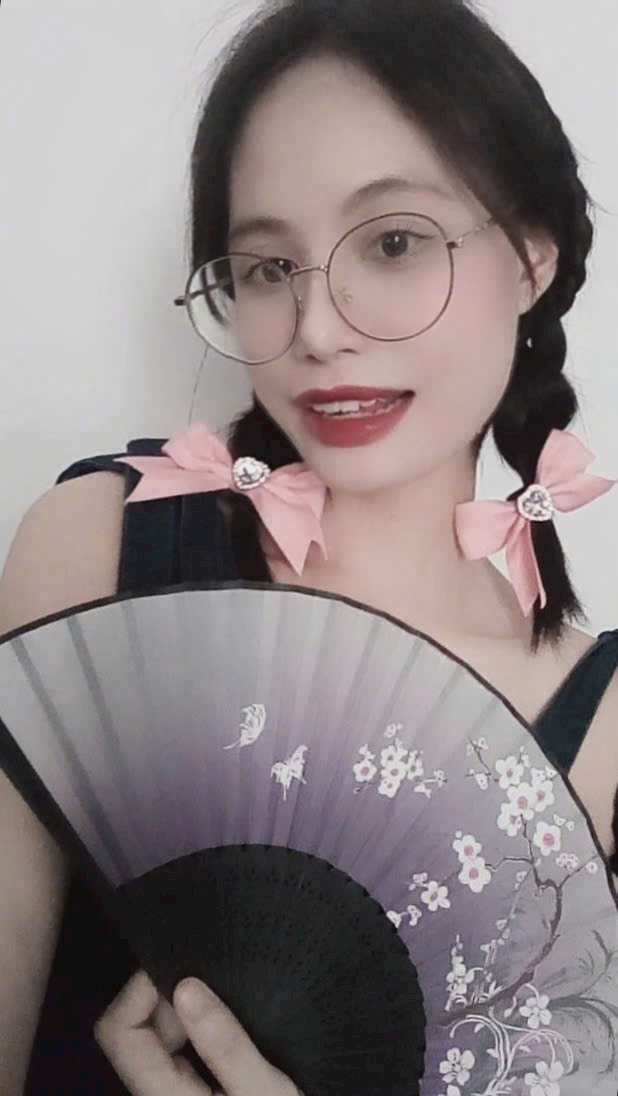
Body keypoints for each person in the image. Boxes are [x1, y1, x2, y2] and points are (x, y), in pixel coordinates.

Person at [0, 0, 616, 1092]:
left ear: (531, 258)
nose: (318, 330)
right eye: (266, 267)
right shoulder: (100, 549)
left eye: (392, 243)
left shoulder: (606, 736)